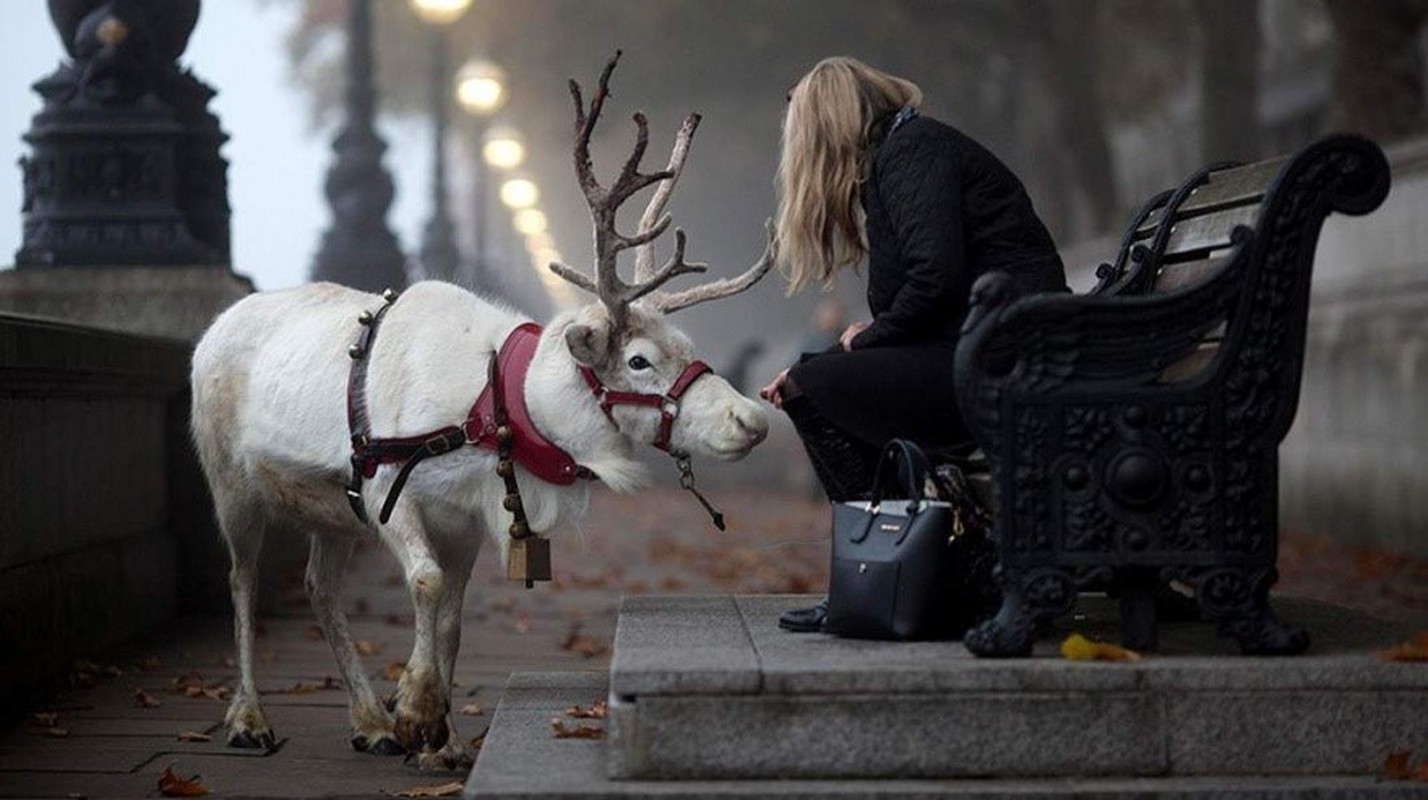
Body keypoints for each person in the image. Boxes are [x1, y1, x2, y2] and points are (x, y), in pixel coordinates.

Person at [758, 57, 1069, 633]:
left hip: (1005, 358)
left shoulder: (913, 152)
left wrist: (863, 341)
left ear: (827, 127)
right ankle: (891, 573)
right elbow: (928, 295)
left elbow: (935, 280)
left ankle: (885, 574)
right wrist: (841, 354)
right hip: (983, 348)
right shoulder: (898, 158)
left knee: (811, 384)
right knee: (810, 379)